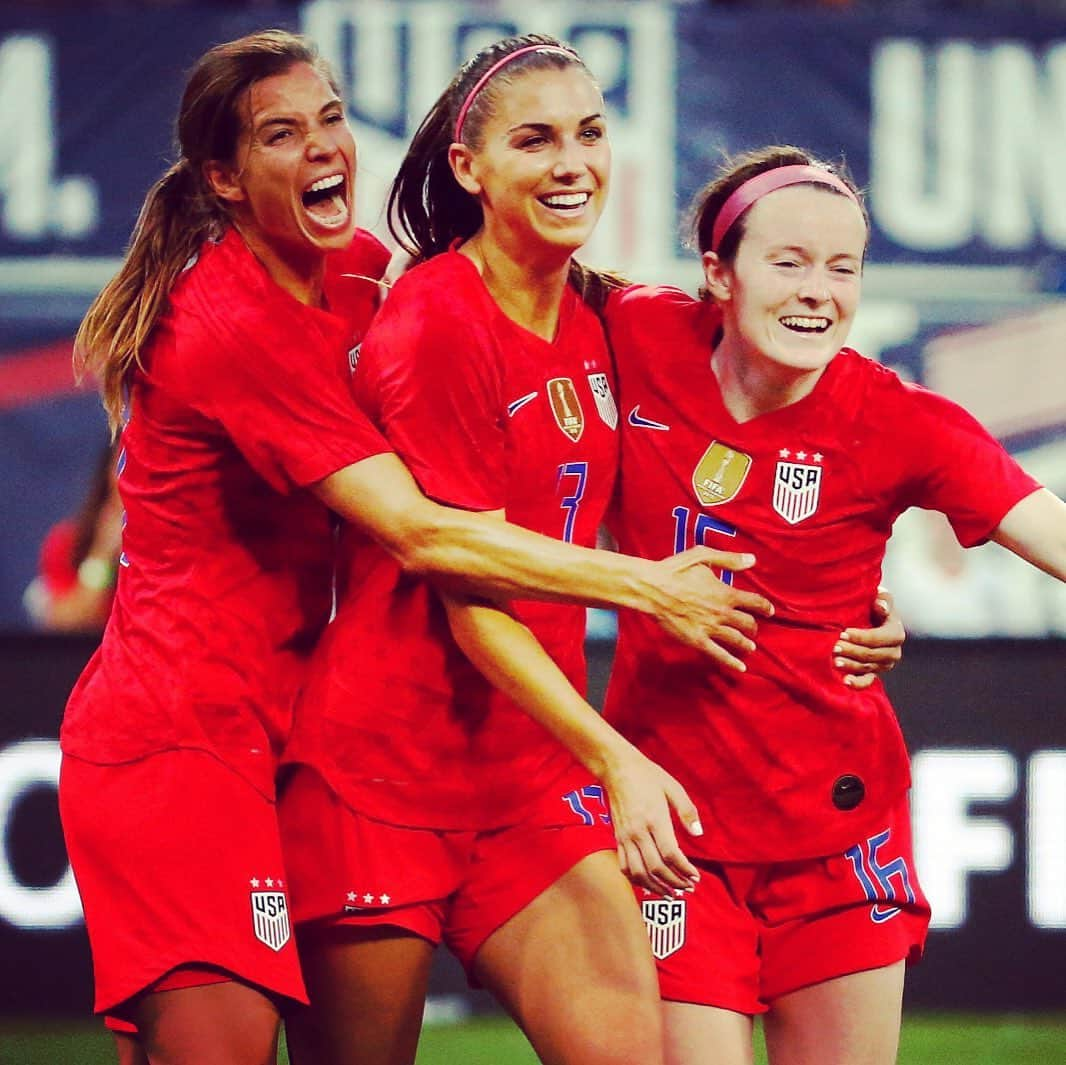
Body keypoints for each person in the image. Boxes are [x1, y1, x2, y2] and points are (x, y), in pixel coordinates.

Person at [58, 29, 786, 1065]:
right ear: (221, 177)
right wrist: (644, 593)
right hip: (195, 734)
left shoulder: (362, 275)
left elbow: (736, 433)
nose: (322, 149)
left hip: (344, 729)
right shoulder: (242, 319)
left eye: (331, 120)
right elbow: (425, 537)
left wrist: (834, 590)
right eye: (281, 134)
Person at [276, 40, 903, 1065]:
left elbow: (748, 438)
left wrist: (848, 602)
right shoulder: (434, 322)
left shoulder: (605, 312)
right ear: (469, 168)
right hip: (380, 777)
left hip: (530, 773)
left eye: (590, 133)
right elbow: (461, 578)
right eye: (536, 140)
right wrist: (617, 750)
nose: (573, 163)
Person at [600, 145, 1066, 1065]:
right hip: (677, 836)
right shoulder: (635, 331)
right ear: (716, 274)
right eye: (789, 262)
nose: (820, 291)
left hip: (837, 837)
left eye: (842, 267)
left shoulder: (902, 421)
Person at [23, 439, 123, 632]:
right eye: (125, 464)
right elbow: (66, 624)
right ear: (108, 474)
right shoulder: (67, 543)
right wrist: (101, 556)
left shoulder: (179, 544)